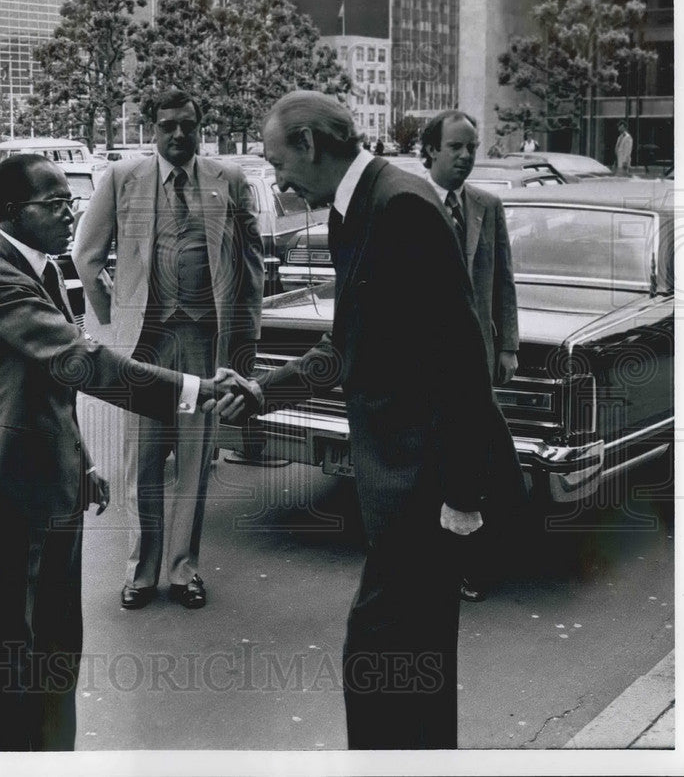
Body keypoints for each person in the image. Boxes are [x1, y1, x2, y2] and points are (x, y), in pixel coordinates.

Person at [218, 90, 520, 749]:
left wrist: (464, 495)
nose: (278, 178)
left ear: (311, 146)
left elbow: (461, 357)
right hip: (398, 483)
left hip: (426, 486)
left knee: (384, 661)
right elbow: (348, 347)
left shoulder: (400, 207)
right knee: (407, 668)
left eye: (278, 161)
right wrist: (263, 392)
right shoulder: (356, 211)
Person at [0, 153, 240, 750]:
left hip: (49, 483)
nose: (68, 212)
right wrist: (196, 390)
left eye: (67, 201)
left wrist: (81, 461)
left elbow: (47, 389)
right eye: (52, 203)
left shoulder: (43, 271)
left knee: (56, 649)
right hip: (1, 490)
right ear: (7, 212)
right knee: (12, 661)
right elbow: (84, 365)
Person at [73, 88, 264, 610]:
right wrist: (116, 319)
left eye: (188, 125)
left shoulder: (230, 181)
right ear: (150, 129)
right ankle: (140, 571)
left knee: (196, 459)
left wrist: (243, 345)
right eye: (167, 126)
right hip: (146, 346)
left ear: (200, 127)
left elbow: (251, 266)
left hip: (206, 342)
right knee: (144, 460)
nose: (178, 134)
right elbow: (86, 255)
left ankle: (183, 570)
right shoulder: (121, 179)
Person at [421, 110, 525, 603]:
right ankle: (433, 561)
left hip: (475, 361)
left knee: (474, 464)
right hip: (423, 361)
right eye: (455, 147)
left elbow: (502, 279)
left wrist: (507, 346)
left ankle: (472, 565)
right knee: (429, 465)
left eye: (471, 148)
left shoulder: (486, 206)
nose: (465, 157)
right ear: (431, 151)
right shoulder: (410, 203)